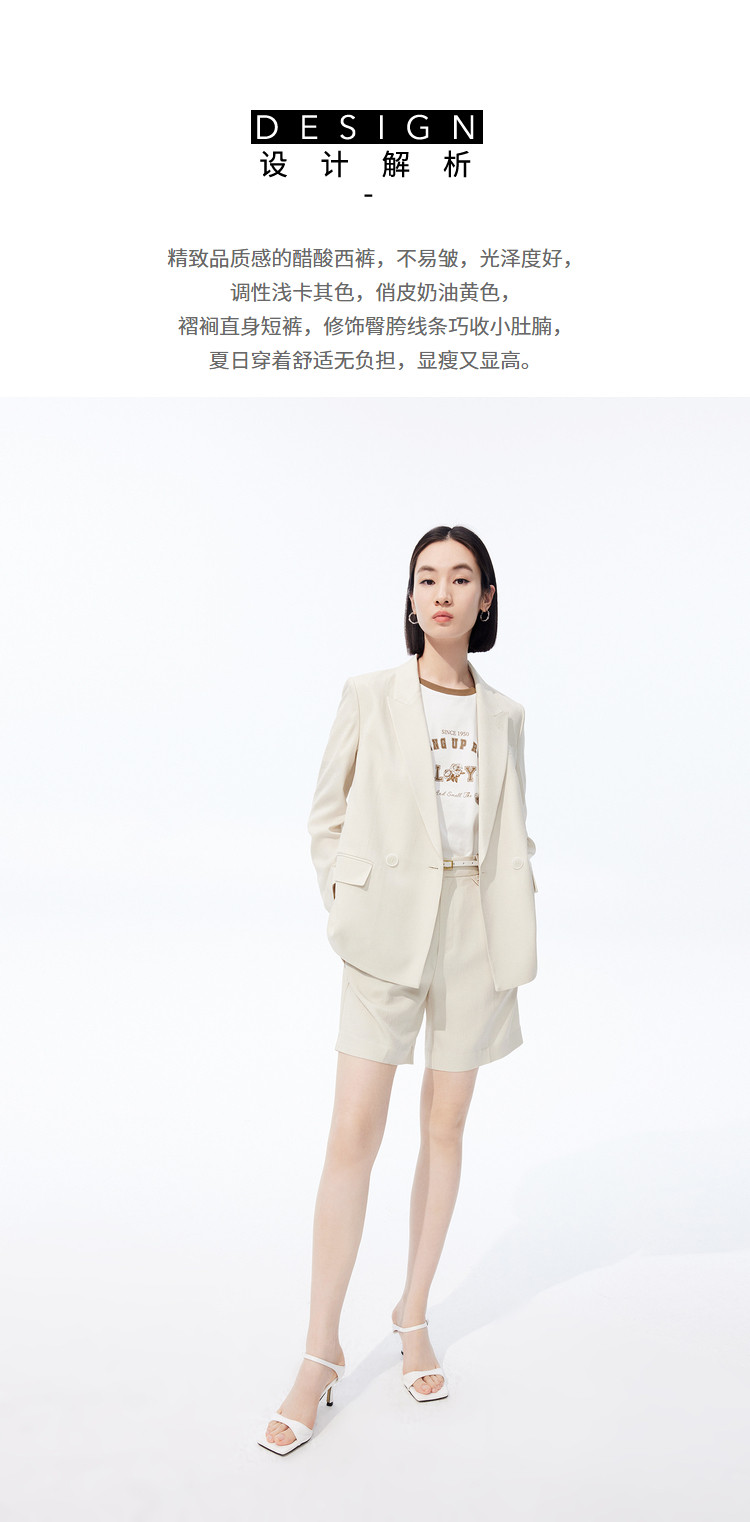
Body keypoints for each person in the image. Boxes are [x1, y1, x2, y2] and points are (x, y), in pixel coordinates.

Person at [258, 524, 538, 1454]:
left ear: (486, 598)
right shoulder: (371, 695)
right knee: (353, 1134)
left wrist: (512, 916)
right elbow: (325, 815)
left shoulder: (505, 715)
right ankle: (319, 1350)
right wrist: (347, 903)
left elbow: (510, 831)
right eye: (427, 578)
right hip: (384, 931)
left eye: (462, 578)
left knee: (445, 1129)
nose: (443, 593)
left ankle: (413, 1314)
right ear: (411, 597)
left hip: (474, 936)